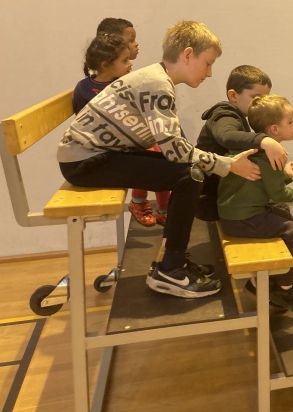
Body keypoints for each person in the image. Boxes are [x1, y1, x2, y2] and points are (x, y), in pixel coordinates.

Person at [58, 20, 261, 299]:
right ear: (188, 54)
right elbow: (175, 151)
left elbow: (173, 147)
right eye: (208, 63)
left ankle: (172, 261)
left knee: (190, 172)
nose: (210, 73)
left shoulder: (156, 78)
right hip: (85, 161)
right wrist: (227, 165)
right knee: (190, 176)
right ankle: (170, 270)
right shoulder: (157, 84)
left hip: (94, 155)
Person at [217, 94, 293, 311]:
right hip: (241, 220)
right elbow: (279, 193)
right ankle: (284, 287)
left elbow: (265, 182)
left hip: (233, 214)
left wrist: (285, 174)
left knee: (282, 214)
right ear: (275, 129)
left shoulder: (255, 149)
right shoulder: (270, 156)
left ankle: (263, 280)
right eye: (290, 121)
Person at [94, 17, 171, 227]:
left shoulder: (127, 78)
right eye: (130, 40)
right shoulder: (94, 86)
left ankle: (164, 209)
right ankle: (139, 202)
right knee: (152, 151)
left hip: (129, 136)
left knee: (165, 149)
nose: (136, 44)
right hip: (110, 145)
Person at [196, 65, 287, 221]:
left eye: (264, 99)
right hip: (211, 200)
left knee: (278, 205)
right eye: (256, 98)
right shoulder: (225, 115)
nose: (262, 104)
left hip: (222, 196)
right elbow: (226, 136)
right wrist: (264, 140)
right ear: (233, 95)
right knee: (279, 209)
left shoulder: (237, 116)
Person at [72, 34, 132, 113]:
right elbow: (81, 118)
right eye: (125, 60)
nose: (130, 64)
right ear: (106, 65)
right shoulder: (83, 88)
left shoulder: (126, 83)